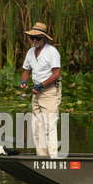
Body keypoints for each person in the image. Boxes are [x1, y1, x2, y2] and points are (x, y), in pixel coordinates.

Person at [20, 22, 62, 158]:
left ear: (44, 38)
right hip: (36, 93)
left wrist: (41, 86)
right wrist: (24, 82)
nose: (34, 41)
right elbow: (26, 71)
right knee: (37, 127)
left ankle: (54, 157)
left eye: (37, 38)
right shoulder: (30, 52)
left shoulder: (52, 52)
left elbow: (57, 74)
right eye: (32, 38)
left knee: (50, 125)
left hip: (50, 92)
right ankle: (42, 158)